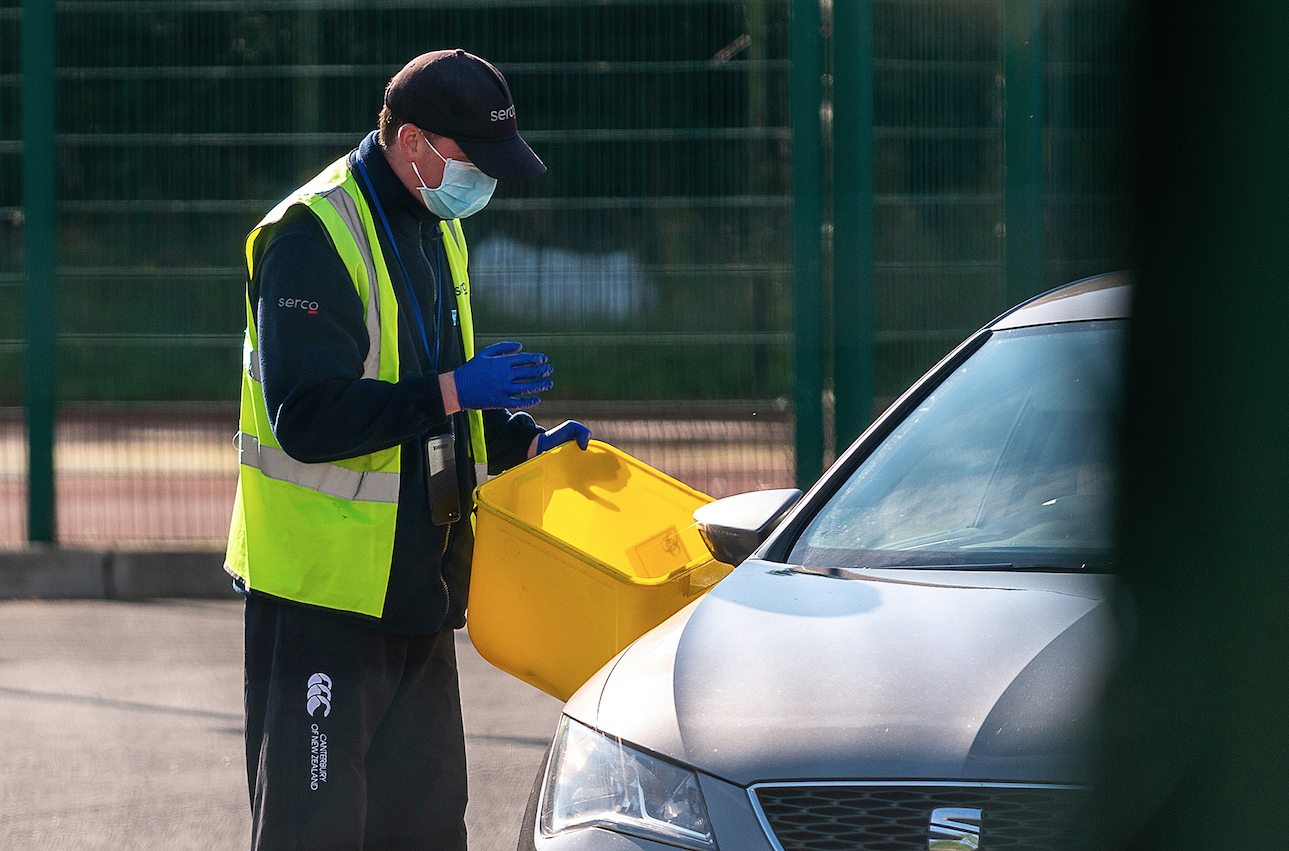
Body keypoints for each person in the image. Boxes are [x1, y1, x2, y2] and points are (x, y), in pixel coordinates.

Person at [224, 49, 591, 851]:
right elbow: (307, 415)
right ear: (413, 141)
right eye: (473, 160)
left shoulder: (434, 224)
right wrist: (458, 390)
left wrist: (521, 440)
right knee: (311, 834)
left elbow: (430, 383)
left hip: (415, 588)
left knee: (424, 831)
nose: (483, 181)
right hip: (319, 596)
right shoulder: (312, 234)